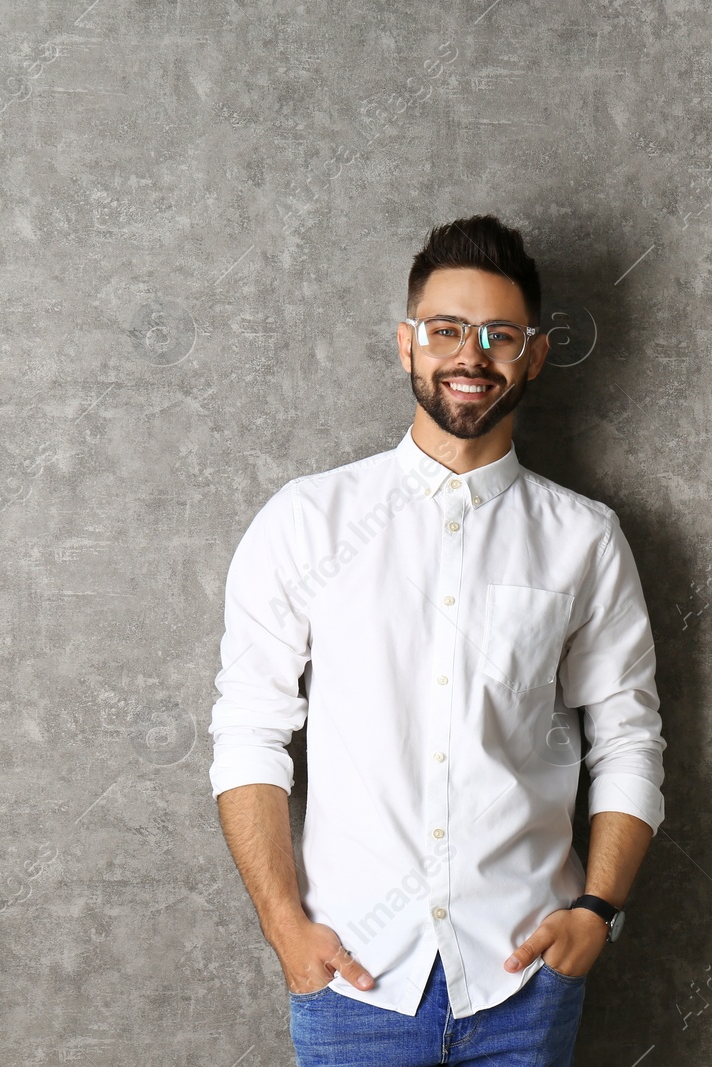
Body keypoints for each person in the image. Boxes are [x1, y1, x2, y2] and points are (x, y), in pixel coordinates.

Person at [207, 214, 666, 1066]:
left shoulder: (586, 539)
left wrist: (596, 912)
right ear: (407, 345)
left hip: (524, 982)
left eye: (500, 334)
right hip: (355, 982)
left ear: (533, 354)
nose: (472, 354)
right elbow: (249, 734)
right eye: (448, 329)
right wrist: (284, 929)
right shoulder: (307, 523)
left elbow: (629, 740)